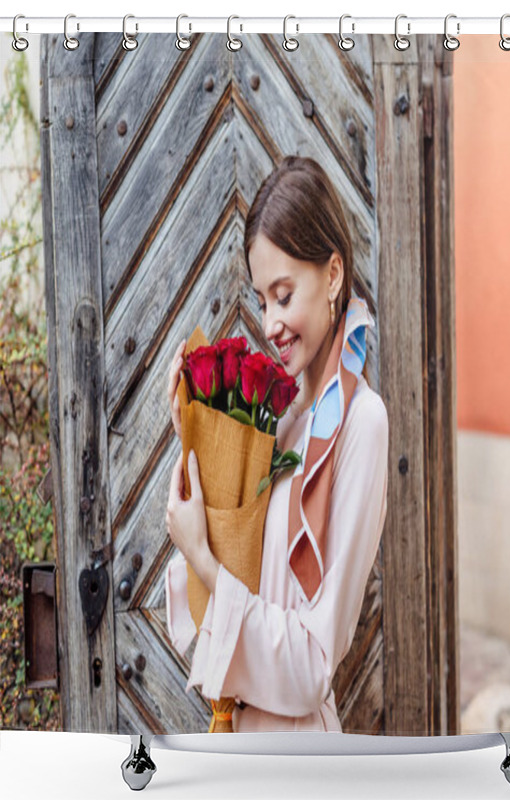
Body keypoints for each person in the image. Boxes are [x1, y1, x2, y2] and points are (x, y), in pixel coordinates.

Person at [163, 155, 389, 733]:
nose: (269, 323)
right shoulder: (282, 421)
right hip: (240, 738)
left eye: (283, 295)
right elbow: (233, 593)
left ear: (333, 274)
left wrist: (204, 562)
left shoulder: (361, 424)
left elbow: (313, 664)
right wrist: (192, 437)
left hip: (295, 757)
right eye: (263, 300)